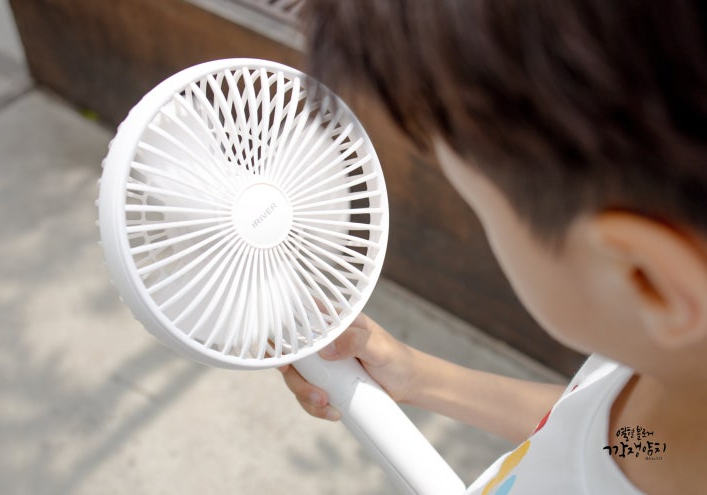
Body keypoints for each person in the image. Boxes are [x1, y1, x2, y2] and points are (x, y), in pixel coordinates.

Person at [278, 1, 707, 493]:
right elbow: (602, 436)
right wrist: (418, 377)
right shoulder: (678, 372)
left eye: (483, 211)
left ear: (646, 278)